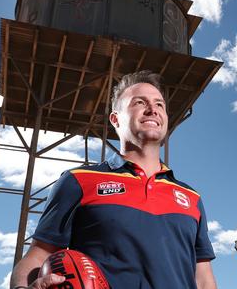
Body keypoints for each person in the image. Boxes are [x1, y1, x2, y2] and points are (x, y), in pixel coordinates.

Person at [11, 70, 217, 289]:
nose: (152, 110)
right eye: (140, 102)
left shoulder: (191, 198)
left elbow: (203, 278)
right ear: (115, 119)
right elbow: (37, 255)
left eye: (159, 105)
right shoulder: (78, 180)